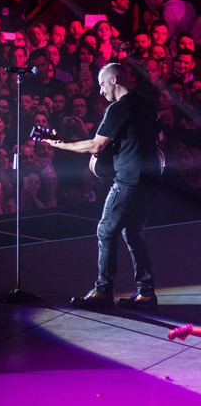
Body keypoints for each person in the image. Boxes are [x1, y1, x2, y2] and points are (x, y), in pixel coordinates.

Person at [44, 63, 162, 309]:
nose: (100, 91)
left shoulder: (118, 108)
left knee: (106, 230)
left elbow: (96, 146)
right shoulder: (145, 103)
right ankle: (146, 293)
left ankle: (102, 292)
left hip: (129, 181)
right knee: (132, 232)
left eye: (102, 84)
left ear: (115, 79)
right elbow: (147, 139)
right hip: (150, 179)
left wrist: (60, 145)